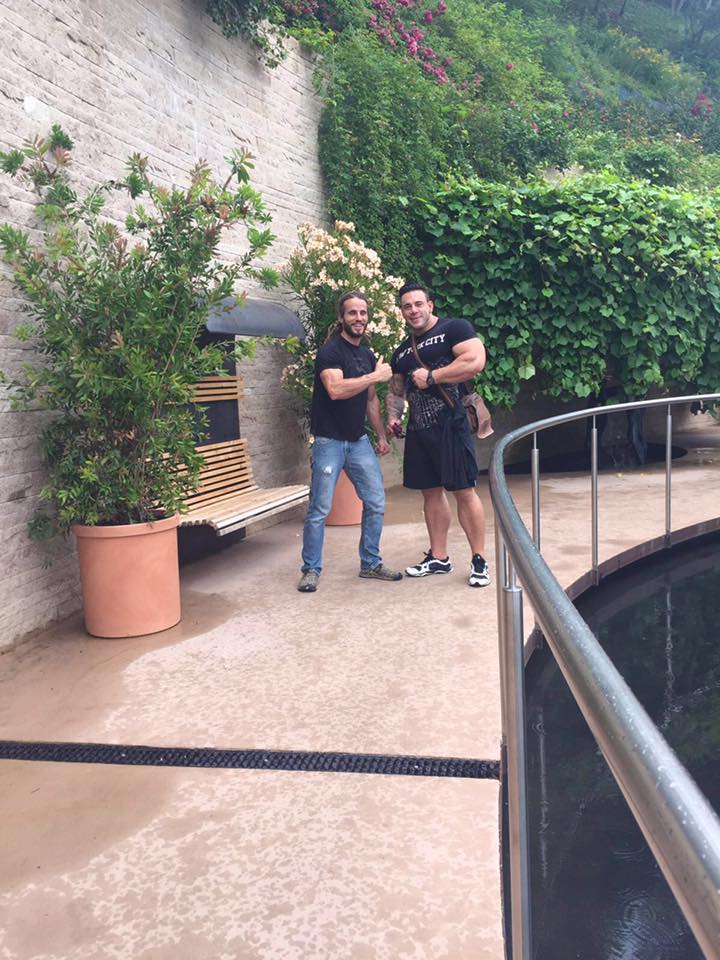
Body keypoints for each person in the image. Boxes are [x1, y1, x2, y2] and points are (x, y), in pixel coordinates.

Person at [298, 290, 403, 593]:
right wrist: (375, 376)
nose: (359, 318)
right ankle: (311, 569)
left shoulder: (367, 355)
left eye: (363, 313)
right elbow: (336, 389)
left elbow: (370, 400)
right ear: (341, 317)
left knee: (376, 501)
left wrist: (380, 435)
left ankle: (370, 564)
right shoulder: (330, 352)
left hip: (358, 441)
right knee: (320, 508)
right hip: (329, 442)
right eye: (352, 313)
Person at [386, 282, 490, 587]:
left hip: (451, 423)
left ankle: (479, 560)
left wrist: (433, 376)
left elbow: (475, 361)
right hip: (419, 429)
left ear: (430, 305)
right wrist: (393, 416)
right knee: (430, 493)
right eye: (407, 306)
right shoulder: (402, 350)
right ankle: (439, 558)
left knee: (464, 491)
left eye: (418, 304)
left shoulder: (454, 329)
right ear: (402, 311)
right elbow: (396, 390)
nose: (413, 310)